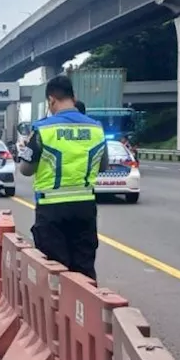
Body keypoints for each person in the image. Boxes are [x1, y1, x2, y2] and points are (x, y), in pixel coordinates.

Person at [17, 75, 109, 280]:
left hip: (52, 209)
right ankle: (85, 310)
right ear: (74, 97)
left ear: (51, 100)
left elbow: (25, 169)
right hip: (85, 206)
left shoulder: (43, 129)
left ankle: (59, 311)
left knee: (55, 271)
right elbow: (103, 165)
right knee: (84, 268)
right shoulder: (96, 128)